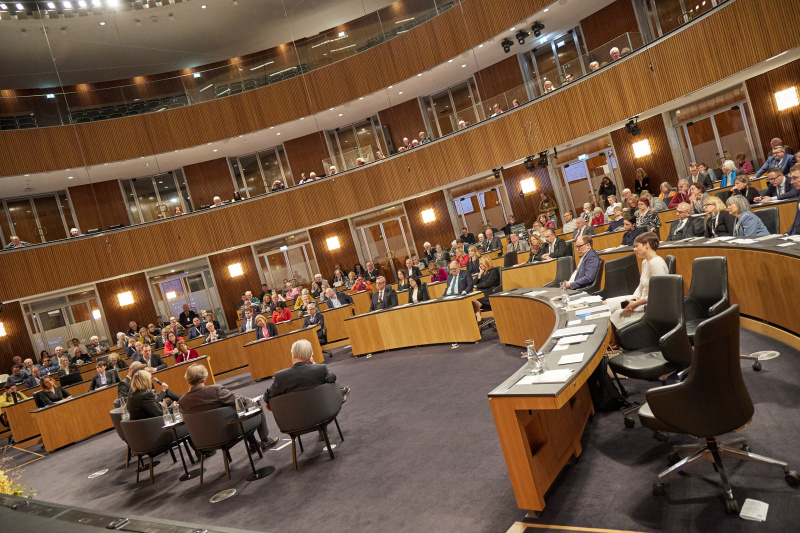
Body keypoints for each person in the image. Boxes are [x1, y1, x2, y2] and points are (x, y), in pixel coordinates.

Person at [179, 363, 279, 451]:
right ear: (205, 379)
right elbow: (239, 400)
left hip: (202, 442)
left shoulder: (182, 402)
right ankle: (265, 440)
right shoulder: (215, 390)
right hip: (227, 434)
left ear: (188, 381)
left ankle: (253, 444)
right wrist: (251, 401)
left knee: (234, 408)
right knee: (252, 404)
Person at [606, 232, 669, 330]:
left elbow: (659, 293)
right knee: (606, 305)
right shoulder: (645, 262)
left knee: (616, 314)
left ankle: (614, 345)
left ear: (647, 245)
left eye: (637, 246)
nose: (634, 249)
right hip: (641, 300)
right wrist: (634, 299)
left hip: (652, 305)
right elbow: (641, 286)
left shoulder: (657, 263)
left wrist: (636, 304)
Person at [264, 339, 349, 406]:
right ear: (309, 356)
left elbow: (267, 398)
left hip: (294, 422)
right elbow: (333, 377)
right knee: (329, 382)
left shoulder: (280, 376)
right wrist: (314, 364)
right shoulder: (320, 369)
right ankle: (340, 394)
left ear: (293, 356)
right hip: (323, 413)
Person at [471, 256, 500, 323]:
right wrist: (479, 275)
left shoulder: (492, 272)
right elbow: (473, 283)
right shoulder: (482, 273)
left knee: (475, 301)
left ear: (486, 263)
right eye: (479, 264)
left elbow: (487, 284)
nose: (480, 265)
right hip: (482, 293)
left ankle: (479, 319)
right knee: (474, 301)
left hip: (489, 294)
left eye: (481, 263)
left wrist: (477, 286)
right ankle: (479, 319)